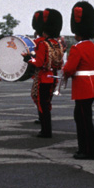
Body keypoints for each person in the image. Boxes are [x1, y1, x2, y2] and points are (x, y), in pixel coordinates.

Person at [62, 1, 94, 160]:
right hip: (91, 86)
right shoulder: (93, 47)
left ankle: (86, 150)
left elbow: (69, 69)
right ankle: (87, 149)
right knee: (85, 118)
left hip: (82, 88)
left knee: (82, 120)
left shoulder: (77, 48)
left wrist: (64, 70)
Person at [27, 9, 64, 138]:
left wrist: (28, 59)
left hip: (43, 78)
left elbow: (39, 63)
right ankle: (46, 128)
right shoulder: (56, 43)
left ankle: (46, 131)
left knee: (41, 104)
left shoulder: (43, 44)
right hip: (53, 77)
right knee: (46, 104)